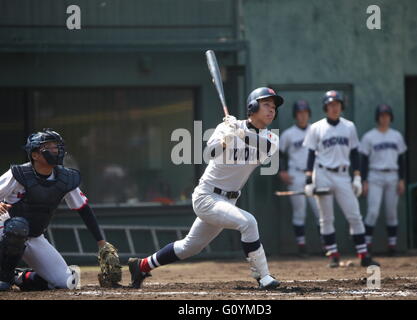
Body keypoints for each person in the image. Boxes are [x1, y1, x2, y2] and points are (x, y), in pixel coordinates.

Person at [128, 87, 283, 289]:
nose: (271, 110)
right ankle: (263, 276)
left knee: (189, 247)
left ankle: (141, 266)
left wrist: (240, 132)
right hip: (207, 196)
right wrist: (224, 140)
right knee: (249, 223)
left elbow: (263, 147)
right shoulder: (227, 127)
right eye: (266, 105)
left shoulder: (272, 138)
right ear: (252, 107)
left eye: (273, 107)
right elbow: (209, 153)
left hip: (228, 201)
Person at [0, 129, 119, 291]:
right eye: (49, 147)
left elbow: (83, 209)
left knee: (66, 282)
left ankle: (19, 277)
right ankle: (4, 277)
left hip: (34, 236)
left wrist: (102, 243)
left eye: (57, 146)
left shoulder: (66, 178)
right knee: (17, 226)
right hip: (6, 229)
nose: (56, 150)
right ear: (35, 155)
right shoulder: (18, 174)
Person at [303, 90, 379, 268]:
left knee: (354, 215)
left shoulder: (349, 126)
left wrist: (358, 177)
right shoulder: (316, 127)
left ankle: (363, 254)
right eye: (330, 105)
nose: (334, 107)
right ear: (325, 107)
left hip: (343, 174)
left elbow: (354, 153)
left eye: (337, 104)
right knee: (326, 218)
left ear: (341, 106)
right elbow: (310, 154)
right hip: (322, 173)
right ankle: (333, 255)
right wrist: (308, 179)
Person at [360, 104, 407, 256]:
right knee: (372, 212)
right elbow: (363, 161)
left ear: (390, 117)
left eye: (387, 115)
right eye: (382, 115)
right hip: (375, 175)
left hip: (393, 175)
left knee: (391, 212)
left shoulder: (396, 136)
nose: (384, 118)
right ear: (377, 117)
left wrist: (401, 179)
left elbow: (401, 159)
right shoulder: (369, 136)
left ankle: (392, 246)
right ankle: (367, 244)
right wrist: (364, 180)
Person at [279, 100, 321, 255]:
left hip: (314, 174)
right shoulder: (288, 134)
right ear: (295, 115)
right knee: (299, 212)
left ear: (308, 114)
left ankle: (327, 246)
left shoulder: (316, 130)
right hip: (295, 174)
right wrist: (282, 171)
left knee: (320, 211)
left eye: (305, 113)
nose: (302, 116)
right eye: (299, 113)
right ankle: (301, 246)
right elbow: (280, 154)